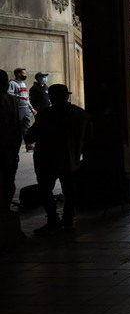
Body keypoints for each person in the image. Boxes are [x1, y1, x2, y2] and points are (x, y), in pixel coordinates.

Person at [24, 84, 92, 233]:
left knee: (45, 191)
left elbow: (30, 137)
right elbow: (89, 138)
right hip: (69, 159)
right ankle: (68, 220)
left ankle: (53, 219)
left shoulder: (45, 115)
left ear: (51, 97)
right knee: (69, 191)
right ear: (67, 96)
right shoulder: (81, 115)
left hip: (46, 160)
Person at [0, 69, 21, 213]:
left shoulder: (11, 100)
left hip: (9, 150)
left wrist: (15, 148)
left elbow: (16, 125)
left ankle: (6, 210)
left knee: (8, 183)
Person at [7, 67, 33, 151]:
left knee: (27, 127)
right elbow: (9, 94)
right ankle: (14, 147)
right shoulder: (12, 83)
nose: (25, 75)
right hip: (18, 108)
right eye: (24, 73)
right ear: (19, 74)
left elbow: (27, 97)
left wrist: (31, 108)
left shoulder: (23, 84)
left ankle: (29, 145)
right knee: (16, 128)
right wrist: (20, 97)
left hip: (25, 108)